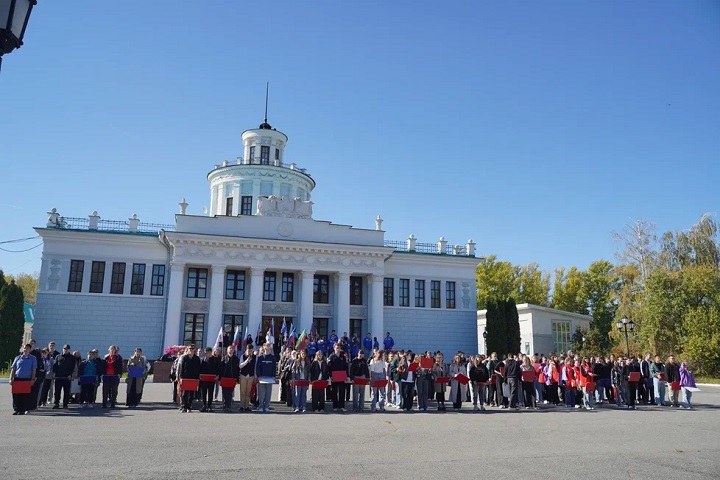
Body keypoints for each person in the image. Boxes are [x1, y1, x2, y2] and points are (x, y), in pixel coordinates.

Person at [10, 344, 37, 415]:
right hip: (17, 378)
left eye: (27, 348)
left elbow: (34, 369)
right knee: (16, 395)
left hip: (27, 379)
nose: (25, 350)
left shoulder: (33, 358)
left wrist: (33, 379)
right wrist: (11, 378)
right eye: (24, 348)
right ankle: (17, 409)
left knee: (25, 395)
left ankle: (23, 409)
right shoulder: (18, 358)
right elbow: (13, 369)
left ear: (30, 350)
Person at [177, 345, 201, 413]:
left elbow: (198, 368)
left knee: (191, 393)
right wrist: (180, 376)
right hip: (185, 377)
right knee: (184, 393)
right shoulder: (184, 357)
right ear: (188, 349)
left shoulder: (197, 358)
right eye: (190, 348)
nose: (191, 350)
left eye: (192, 348)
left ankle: (189, 406)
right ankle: (184, 406)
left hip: (193, 378)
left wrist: (197, 378)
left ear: (194, 350)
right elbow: (181, 367)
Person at [254, 342, 277, 413]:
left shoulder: (272, 358)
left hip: (270, 378)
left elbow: (274, 368)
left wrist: (273, 376)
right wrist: (258, 376)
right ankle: (261, 406)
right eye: (266, 347)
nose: (267, 348)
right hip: (262, 378)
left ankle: (267, 406)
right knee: (261, 393)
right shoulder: (260, 358)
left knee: (268, 393)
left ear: (270, 348)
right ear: (264, 348)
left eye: (268, 346)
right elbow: (258, 367)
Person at [327, 343, 349, 412]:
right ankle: (335, 406)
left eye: (339, 348)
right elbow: (329, 367)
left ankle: (341, 406)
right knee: (334, 391)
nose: (338, 349)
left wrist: (346, 376)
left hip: (341, 376)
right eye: (337, 348)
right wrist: (330, 376)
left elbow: (346, 367)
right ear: (334, 348)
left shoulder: (343, 356)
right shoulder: (331, 357)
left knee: (342, 391)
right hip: (334, 376)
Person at [52, 344, 75, 409]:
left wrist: (70, 375)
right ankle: (56, 403)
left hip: (67, 377)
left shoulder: (72, 358)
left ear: (69, 350)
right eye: (64, 349)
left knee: (66, 392)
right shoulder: (58, 356)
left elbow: (72, 367)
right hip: (58, 377)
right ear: (63, 349)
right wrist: (54, 373)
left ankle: (65, 404)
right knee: (57, 391)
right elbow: (55, 365)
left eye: (67, 349)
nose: (66, 350)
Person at [199, 347, 220, 412]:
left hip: (212, 379)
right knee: (204, 393)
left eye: (207, 352)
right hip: (204, 379)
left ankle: (209, 406)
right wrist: (200, 375)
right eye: (205, 352)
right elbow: (200, 368)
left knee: (210, 393)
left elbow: (218, 368)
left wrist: (217, 375)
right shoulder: (203, 359)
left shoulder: (215, 360)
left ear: (210, 352)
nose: (205, 353)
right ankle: (204, 405)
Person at [220, 346, 240, 412]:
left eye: (232, 349)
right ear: (227, 350)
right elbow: (221, 369)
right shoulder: (224, 358)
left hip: (232, 378)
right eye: (229, 349)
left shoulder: (236, 359)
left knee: (230, 393)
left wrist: (237, 379)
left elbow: (237, 370)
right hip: (224, 378)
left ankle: (228, 405)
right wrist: (220, 378)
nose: (231, 350)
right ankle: (224, 405)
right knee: (224, 392)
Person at [238, 344, 256, 411]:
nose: (249, 351)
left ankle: (247, 406)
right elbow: (240, 366)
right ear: (246, 349)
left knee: (248, 392)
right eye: (248, 350)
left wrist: (255, 376)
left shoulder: (254, 357)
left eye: (251, 350)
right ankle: (242, 406)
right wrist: (246, 361)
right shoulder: (243, 356)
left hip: (251, 376)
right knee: (243, 391)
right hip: (243, 375)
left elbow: (255, 366)